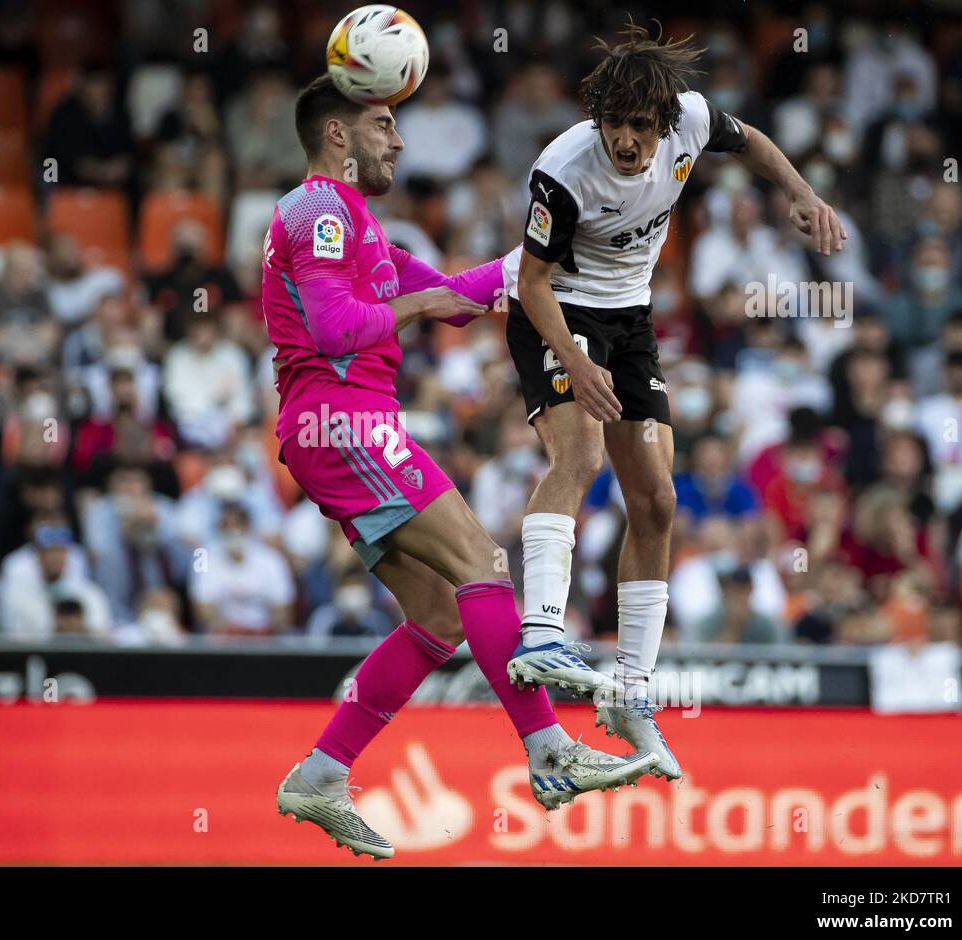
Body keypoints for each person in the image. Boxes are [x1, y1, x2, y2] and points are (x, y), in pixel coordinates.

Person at [267, 75, 657, 860]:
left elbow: (456, 294)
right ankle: (548, 747)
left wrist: (551, 250)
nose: (399, 139)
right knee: (483, 561)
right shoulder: (315, 211)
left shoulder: (360, 226)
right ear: (337, 135)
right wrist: (415, 307)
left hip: (343, 431)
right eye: (382, 124)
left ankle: (320, 772)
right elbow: (338, 329)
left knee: (442, 616)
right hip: (342, 423)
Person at [501, 20, 846, 783]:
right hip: (556, 313)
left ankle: (630, 692)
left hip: (629, 320)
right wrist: (572, 363)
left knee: (656, 500)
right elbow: (528, 284)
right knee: (582, 453)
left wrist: (799, 192)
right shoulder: (563, 170)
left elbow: (749, 138)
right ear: (600, 122)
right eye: (616, 126)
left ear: (665, 123)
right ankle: (541, 633)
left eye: (641, 128)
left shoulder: (691, 116)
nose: (628, 142)